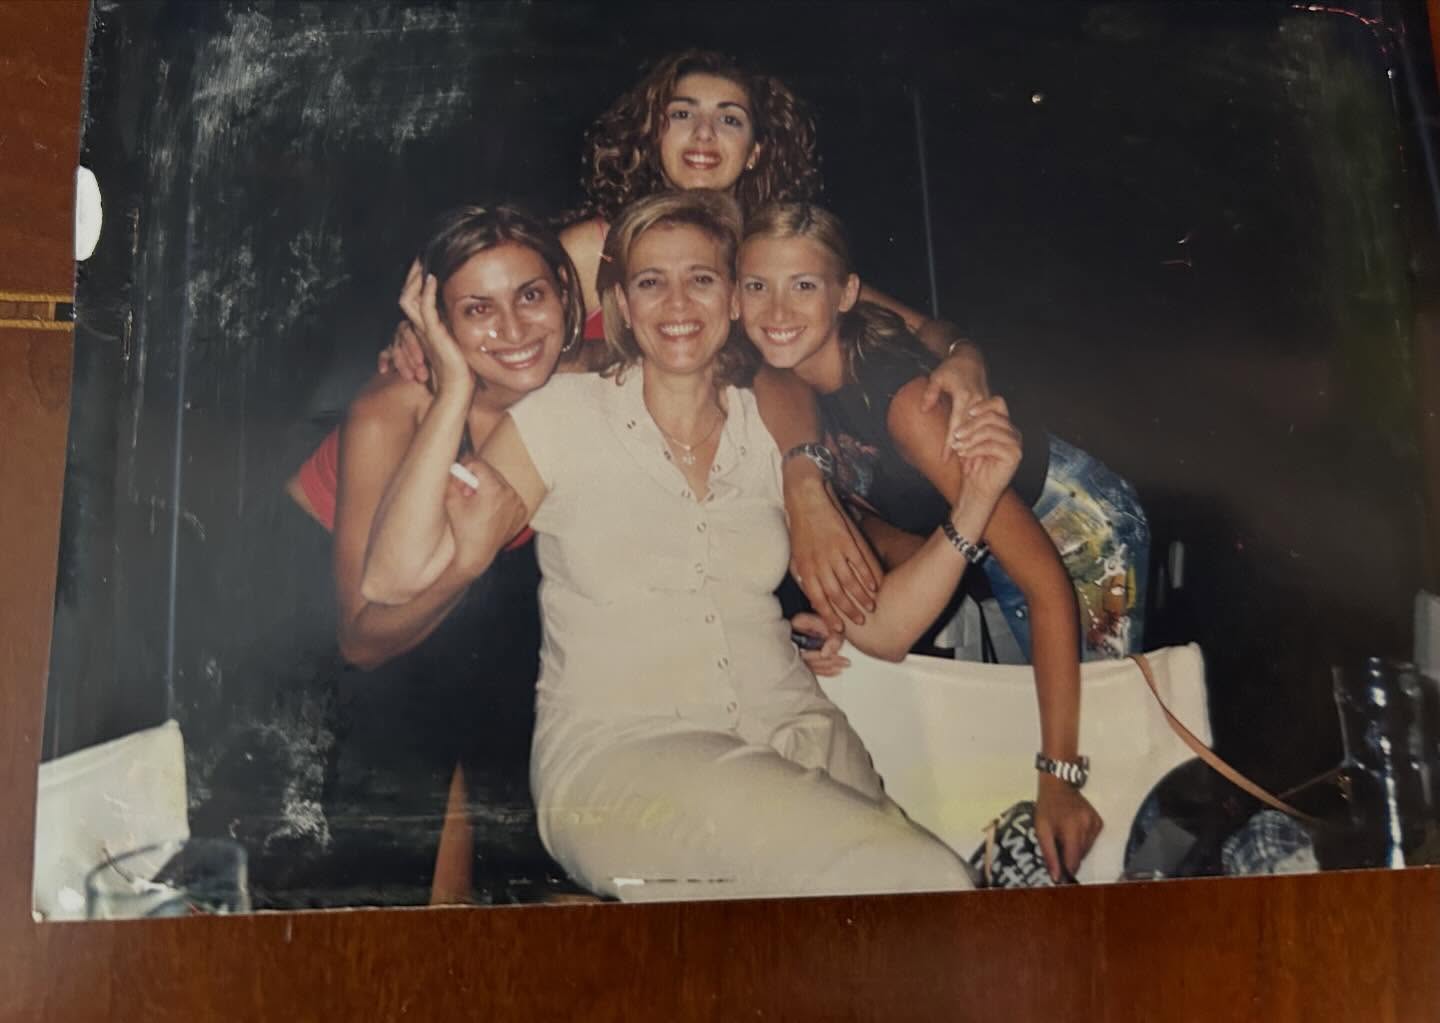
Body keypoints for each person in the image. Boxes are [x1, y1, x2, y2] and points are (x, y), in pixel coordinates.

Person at [361, 190, 1087, 900]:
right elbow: (392, 580)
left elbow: (885, 629)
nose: (677, 303)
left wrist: (976, 502)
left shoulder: (774, 429)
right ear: (623, 304)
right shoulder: (562, 417)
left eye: (701, 279)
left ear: (733, 300)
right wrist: (451, 384)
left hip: (799, 739)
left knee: (901, 923)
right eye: (652, 282)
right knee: (925, 884)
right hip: (623, 762)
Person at [347, 49, 995, 632]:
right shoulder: (600, 244)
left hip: (662, 485)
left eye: (729, 118)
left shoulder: (767, 257)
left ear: (757, 149)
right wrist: (422, 333)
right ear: (653, 133)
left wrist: (963, 355)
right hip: (479, 472)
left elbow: (916, 327)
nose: (704, 134)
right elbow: (496, 297)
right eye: (683, 113)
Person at [736, 200, 1148, 666]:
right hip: (991, 533)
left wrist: (962, 351)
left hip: (1070, 520)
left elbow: (922, 328)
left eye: (802, 286)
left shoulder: (901, 401)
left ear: (843, 295)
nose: (778, 309)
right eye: (757, 286)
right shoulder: (790, 377)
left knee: (1098, 697)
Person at [319, 204, 585, 903]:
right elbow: (359, 642)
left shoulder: (582, 381)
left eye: (530, 295)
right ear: (439, 324)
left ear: (564, 291)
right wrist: (455, 390)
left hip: (480, 643)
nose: (514, 330)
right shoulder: (394, 407)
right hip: (344, 657)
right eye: (477, 310)